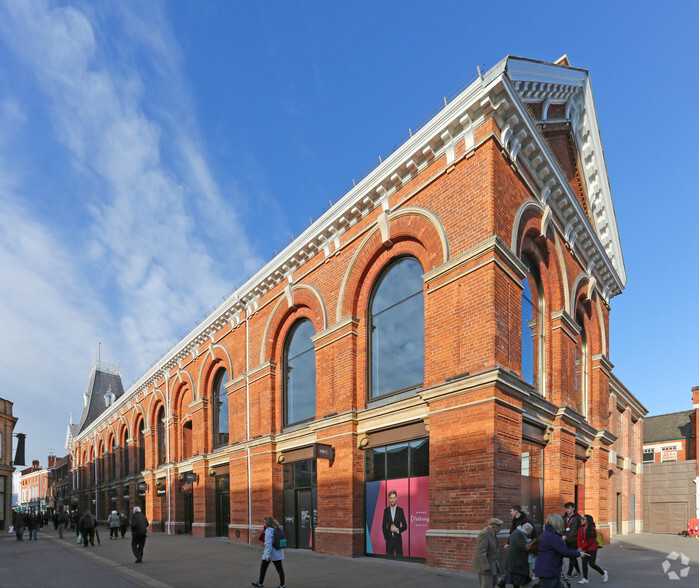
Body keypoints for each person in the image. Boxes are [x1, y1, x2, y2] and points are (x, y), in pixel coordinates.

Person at [535, 513, 587, 588]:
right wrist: (579, 553)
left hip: (549, 568)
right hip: (549, 570)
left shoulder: (548, 533)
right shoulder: (552, 536)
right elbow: (564, 551)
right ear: (557, 523)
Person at [251, 516, 286, 588]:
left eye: (264, 522)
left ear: (267, 522)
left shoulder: (268, 531)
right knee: (280, 570)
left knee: (263, 569)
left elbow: (268, 545)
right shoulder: (277, 529)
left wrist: (267, 556)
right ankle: (282, 586)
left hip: (270, 554)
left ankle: (260, 584)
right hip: (278, 553)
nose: (263, 523)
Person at [576, 515, 608, 584]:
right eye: (581, 519)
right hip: (583, 548)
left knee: (592, 564)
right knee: (584, 564)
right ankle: (585, 579)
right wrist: (579, 547)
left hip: (592, 548)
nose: (581, 520)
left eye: (583, 519)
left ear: (588, 521)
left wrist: (581, 548)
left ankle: (603, 573)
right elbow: (579, 538)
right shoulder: (580, 529)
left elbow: (589, 541)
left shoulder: (592, 530)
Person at [474, 517, 503, 588]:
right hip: (486, 566)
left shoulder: (492, 533)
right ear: (493, 527)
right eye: (499, 526)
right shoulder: (484, 534)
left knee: (493, 583)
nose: (500, 528)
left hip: (492, 565)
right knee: (487, 585)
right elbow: (481, 553)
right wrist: (485, 567)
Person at [504, 522, 533, 588]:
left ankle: (502, 583)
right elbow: (523, 546)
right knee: (515, 578)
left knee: (513, 576)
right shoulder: (518, 534)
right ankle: (502, 583)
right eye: (530, 531)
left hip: (516, 559)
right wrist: (532, 548)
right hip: (516, 560)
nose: (530, 533)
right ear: (526, 529)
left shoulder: (519, 532)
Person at [382, 489, 408, 556]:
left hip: (398, 540)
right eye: (391, 498)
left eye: (394, 498)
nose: (392, 500)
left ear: (396, 498)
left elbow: (405, 526)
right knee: (389, 561)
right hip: (389, 541)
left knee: (400, 560)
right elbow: (383, 526)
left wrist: (397, 530)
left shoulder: (400, 511)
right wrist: (386, 538)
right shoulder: (386, 511)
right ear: (389, 499)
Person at [562, 502, 583, 578]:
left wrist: (575, 533)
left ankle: (569, 574)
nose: (568, 510)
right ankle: (578, 571)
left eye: (569, 508)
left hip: (574, 540)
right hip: (566, 540)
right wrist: (562, 535)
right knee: (572, 556)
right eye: (566, 508)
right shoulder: (564, 517)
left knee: (571, 556)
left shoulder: (578, 517)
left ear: (573, 508)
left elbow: (582, 527)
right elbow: (561, 528)